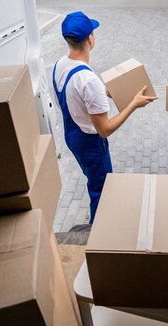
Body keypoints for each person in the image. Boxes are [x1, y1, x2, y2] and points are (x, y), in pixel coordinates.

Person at [53, 11, 157, 223]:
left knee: (92, 178)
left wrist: (104, 92)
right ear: (90, 39)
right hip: (90, 142)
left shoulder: (60, 65)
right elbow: (105, 129)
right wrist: (133, 104)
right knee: (102, 188)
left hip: (72, 134)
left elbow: (75, 94)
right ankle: (98, 230)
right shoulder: (89, 80)